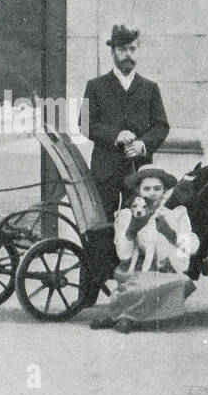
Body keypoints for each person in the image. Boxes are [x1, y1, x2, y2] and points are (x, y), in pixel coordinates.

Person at [89, 168, 197, 333]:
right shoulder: (127, 215)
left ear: (165, 191)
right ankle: (127, 316)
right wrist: (132, 229)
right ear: (138, 191)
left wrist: (171, 234)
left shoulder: (176, 214)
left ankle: (120, 316)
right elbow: (123, 254)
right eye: (146, 189)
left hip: (166, 268)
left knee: (180, 283)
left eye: (157, 188)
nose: (152, 193)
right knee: (140, 283)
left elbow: (191, 248)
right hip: (136, 267)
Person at [81, 25, 170, 215]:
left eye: (132, 49)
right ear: (112, 52)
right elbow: (85, 124)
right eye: (122, 49)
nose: (127, 54)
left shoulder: (150, 88)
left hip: (138, 171)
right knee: (103, 225)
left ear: (138, 51)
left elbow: (161, 126)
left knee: (138, 224)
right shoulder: (95, 86)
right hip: (105, 171)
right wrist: (115, 135)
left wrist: (142, 145)